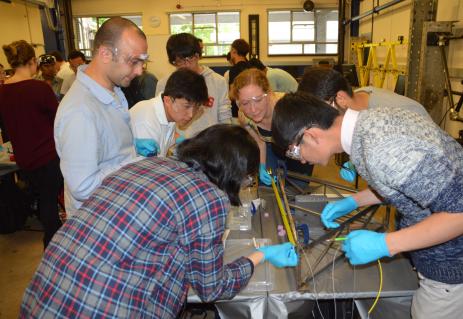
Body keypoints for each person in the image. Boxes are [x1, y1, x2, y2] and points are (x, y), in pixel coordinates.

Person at [20, 124, 298, 319]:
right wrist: (260, 255)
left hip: (43, 296)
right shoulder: (208, 198)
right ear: (233, 170)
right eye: (247, 177)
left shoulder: (143, 165)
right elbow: (212, 287)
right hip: (103, 308)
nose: (245, 183)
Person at [271, 92, 463, 319]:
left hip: (458, 270)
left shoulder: (381, 148)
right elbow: (407, 182)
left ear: (310, 135)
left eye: (294, 151)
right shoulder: (370, 124)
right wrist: (354, 201)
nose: (300, 160)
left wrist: (387, 243)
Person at [54, 17, 150, 217]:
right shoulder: (80, 110)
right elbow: (83, 187)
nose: (140, 71)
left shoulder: (113, 91)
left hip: (116, 209)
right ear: (105, 53)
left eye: (143, 62)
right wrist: (133, 163)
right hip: (96, 222)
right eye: (133, 61)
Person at [298, 68, 430, 182]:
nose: (325, 124)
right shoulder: (357, 102)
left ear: (340, 99)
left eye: (324, 117)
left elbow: (407, 177)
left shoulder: (393, 115)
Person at [0, 40, 63, 248]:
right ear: (33, 62)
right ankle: (52, 247)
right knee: (49, 205)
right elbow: (59, 120)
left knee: (42, 201)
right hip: (47, 157)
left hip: (24, 159)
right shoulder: (39, 89)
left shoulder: (2, 91)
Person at [230, 68, 313, 186]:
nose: (253, 110)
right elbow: (260, 142)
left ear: (268, 93)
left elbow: (321, 130)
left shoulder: (289, 107)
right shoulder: (244, 116)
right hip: (270, 147)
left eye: (258, 100)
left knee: (296, 189)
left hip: (301, 146)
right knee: (268, 185)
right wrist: (262, 165)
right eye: (245, 103)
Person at [155, 33, 231, 139]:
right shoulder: (164, 84)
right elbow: (161, 120)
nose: (186, 65)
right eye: (180, 61)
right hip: (178, 145)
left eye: (190, 58)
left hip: (210, 143)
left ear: (197, 55)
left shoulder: (218, 81)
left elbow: (225, 118)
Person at [130, 68, 208, 157]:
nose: (191, 115)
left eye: (196, 107)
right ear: (168, 100)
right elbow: (148, 167)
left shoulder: (168, 114)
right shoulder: (147, 120)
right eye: (187, 106)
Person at [228, 39, 251, 117]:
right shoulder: (252, 67)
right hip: (252, 108)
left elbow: (232, 94)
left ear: (234, 51)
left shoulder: (234, 70)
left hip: (238, 112)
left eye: (231, 50)